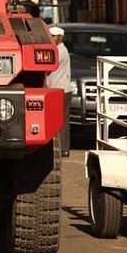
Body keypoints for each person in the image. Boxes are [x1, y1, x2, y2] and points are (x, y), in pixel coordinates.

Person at [46, 25, 72, 157]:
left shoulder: (60, 52)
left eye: (54, 36)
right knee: (61, 119)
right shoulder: (57, 50)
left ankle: (63, 149)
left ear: (60, 37)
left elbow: (47, 68)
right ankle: (63, 148)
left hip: (61, 89)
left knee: (61, 120)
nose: (51, 38)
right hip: (59, 88)